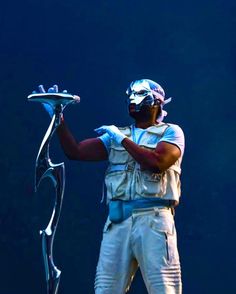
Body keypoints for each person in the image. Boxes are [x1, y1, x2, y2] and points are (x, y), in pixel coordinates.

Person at [39, 79, 185, 294]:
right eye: (130, 95)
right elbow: (76, 151)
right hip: (117, 222)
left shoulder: (170, 132)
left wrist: (120, 138)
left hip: (153, 220)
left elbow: (157, 163)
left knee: (164, 287)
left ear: (156, 102)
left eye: (140, 95)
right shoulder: (117, 135)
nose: (133, 100)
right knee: (106, 288)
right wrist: (57, 116)